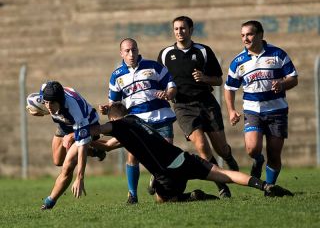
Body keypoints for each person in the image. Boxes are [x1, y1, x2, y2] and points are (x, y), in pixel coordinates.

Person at [41, 102, 293, 210]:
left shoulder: (119, 124)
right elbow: (108, 145)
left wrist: (76, 135)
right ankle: (265, 186)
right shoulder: (136, 123)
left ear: (113, 117)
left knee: (162, 200)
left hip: (167, 172)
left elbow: (97, 131)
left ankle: (190, 198)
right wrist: (98, 148)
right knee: (224, 175)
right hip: (183, 158)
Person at [157, 16, 238, 198]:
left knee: (221, 148)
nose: (179, 32)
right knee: (202, 146)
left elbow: (218, 79)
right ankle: (222, 186)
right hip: (183, 107)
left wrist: (204, 78)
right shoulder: (165, 54)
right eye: (176, 29)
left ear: (191, 29)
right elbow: (160, 81)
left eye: (183, 28)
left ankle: (228, 158)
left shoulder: (203, 50)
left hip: (206, 103)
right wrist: (166, 93)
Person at [99, 38, 177, 204]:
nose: (131, 54)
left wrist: (168, 94)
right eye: (127, 51)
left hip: (161, 117)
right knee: (132, 155)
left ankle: (156, 180)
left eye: (133, 50)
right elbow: (115, 105)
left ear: (138, 50)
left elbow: (171, 86)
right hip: (136, 121)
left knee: (167, 156)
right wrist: (107, 109)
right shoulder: (116, 76)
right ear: (121, 53)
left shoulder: (154, 67)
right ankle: (132, 195)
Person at [224, 20, 298, 191]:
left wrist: (282, 84)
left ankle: (270, 187)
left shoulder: (278, 54)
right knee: (252, 148)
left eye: (249, 34)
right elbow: (229, 88)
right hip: (253, 111)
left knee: (274, 153)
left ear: (260, 35)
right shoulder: (238, 61)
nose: (245, 38)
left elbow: (293, 79)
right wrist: (231, 110)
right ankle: (257, 159)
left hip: (277, 110)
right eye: (242, 35)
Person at [39, 81, 114, 210]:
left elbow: (82, 145)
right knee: (58, 160)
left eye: (52, 103)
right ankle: (95, 150)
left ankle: (49, 202)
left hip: (87, 125)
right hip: (64, 123)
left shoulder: (76, 112)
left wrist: (80, 178)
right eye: (46, 102)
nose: (49, 106)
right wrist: (38, 110)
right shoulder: (46, 89)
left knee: (68, 166)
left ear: (60, 101)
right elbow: (39, 100)